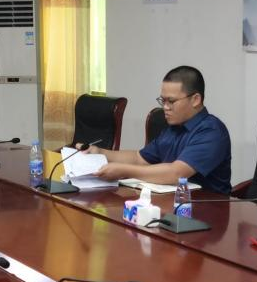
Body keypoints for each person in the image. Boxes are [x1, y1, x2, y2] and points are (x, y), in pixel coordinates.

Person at [87, 65, 232, 193]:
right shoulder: (174, 127)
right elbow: (139, 158)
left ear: (195, 99)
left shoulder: (211, 131)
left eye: (171, 101)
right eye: (163, 100)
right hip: (171, 203)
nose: (165, 107)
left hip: (208, 207)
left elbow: (176, 173)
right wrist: (100, 152)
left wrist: (123, 170)